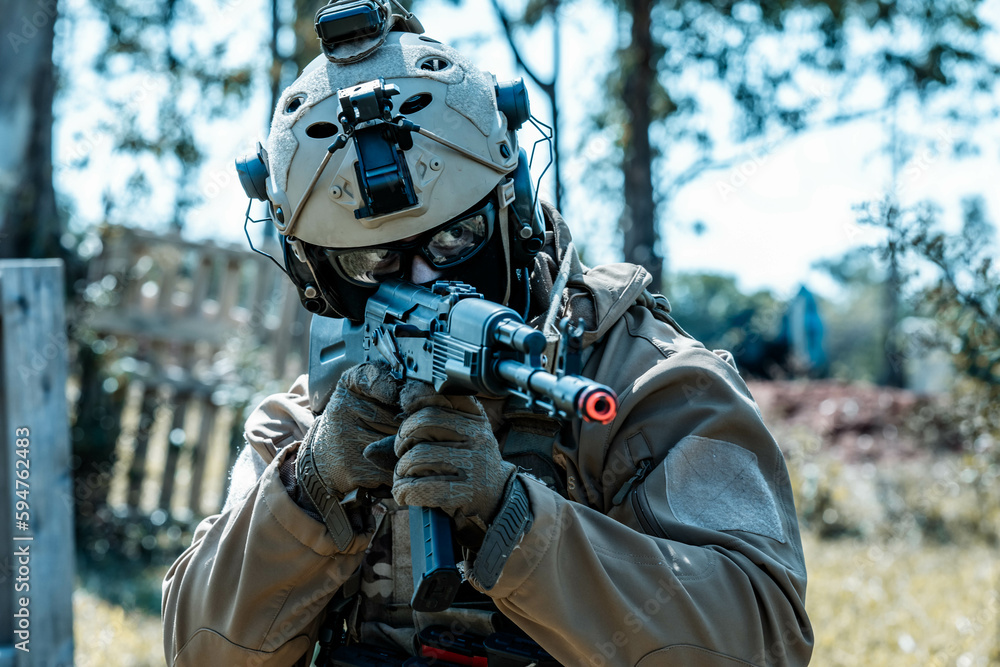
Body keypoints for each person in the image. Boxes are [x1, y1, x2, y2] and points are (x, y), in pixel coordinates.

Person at [162, 1, 813, 665]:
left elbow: (758, 646)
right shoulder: (310, 418)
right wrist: (311, 491)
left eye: (455, 238)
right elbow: (199, 653)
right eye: (371, 262)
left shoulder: (650, 383)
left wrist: (519, 523)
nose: (422, 280)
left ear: (515, 211)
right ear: (315, 275)